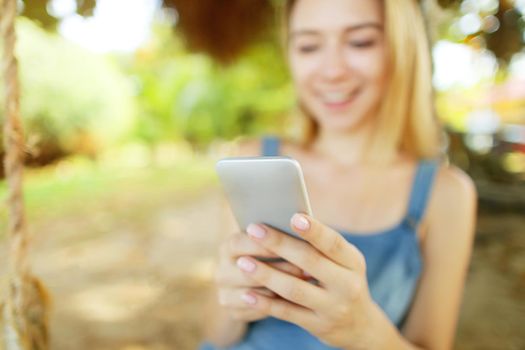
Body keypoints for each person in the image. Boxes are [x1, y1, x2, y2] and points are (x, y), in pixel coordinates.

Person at [200, 0, 477, 349]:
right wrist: (235, 299)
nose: (331, 71)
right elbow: (214, 336)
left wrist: (364, 329)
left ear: (402, 49)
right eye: (309, 46)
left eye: (360, 42)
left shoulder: (446, 194)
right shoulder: (253, 159)